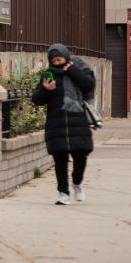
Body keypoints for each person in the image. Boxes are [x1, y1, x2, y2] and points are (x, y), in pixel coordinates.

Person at [31, 43, 96, 206]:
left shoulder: (78, 68)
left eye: (60, 59)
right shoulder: (48, 74)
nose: (57, 63)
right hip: (56, 123)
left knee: (81, 156)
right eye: (54, 60)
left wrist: (71, 70)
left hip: (77, 121)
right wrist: (46, 89)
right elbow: (37, 100)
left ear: (66, 57)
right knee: (60, 160)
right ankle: (63, 193)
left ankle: (77, 182)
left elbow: (88, 85)